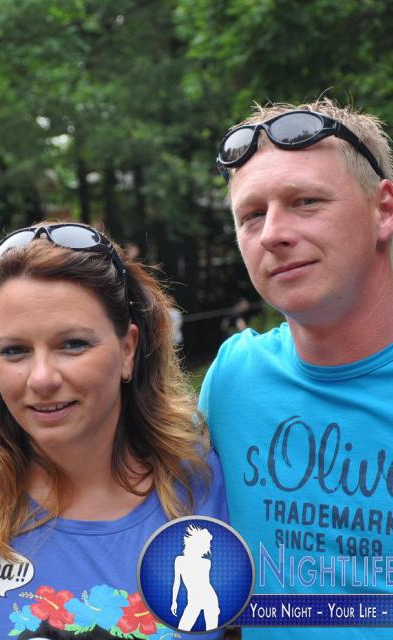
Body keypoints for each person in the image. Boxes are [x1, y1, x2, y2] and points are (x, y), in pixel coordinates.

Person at [0, 222, 229, 639]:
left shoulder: (200, 480)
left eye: (73, 344)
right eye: (15, 350)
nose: (41, 378)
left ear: (128, 350)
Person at [200, 99, 393, 639]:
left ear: (383, 211)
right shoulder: (233, 377)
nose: (272, 234)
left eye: (306, 202)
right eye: (251, 215)